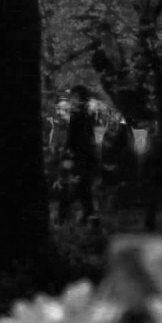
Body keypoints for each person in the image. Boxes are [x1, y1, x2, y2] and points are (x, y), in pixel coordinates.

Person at [66, 85, 98, 225]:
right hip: (86, 155)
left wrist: (69, 152)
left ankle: (65, 214)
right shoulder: (87, 115)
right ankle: (88, 214)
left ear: (79, 98)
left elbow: (74, 138)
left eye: (74, 97)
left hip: (80, 156)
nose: (72, 100)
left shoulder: (79, 115)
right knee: (83, 186)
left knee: (78, 185)